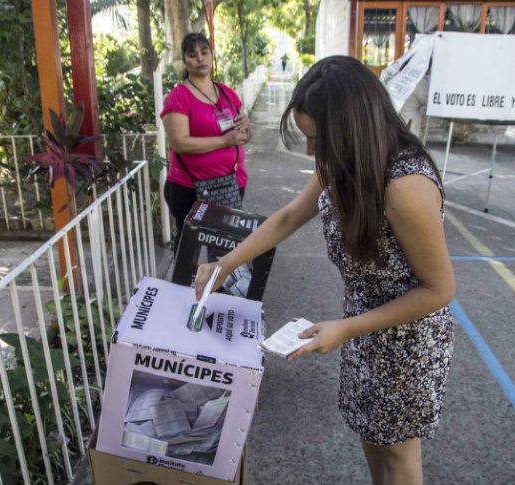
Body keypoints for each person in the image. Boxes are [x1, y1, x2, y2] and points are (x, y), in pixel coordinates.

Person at [193, 55, 455, 485]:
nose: (313, 152)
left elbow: (439, 290)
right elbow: (288, 216)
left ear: (352, 126)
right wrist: (225, 264)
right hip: (361, 328)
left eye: (318, 138)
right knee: (373, 440)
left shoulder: (405, 185)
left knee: (399, 457)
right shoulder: (344, 161)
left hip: (407, 343)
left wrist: (347, 329)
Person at [161, 33, 251, 248]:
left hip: (230, 185)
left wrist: (246, 129)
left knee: (224, 250)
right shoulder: (179, 96)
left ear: (212, 56)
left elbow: (243, 137)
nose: (200, 59)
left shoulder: (227, 92)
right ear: (184, 60)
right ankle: (186, 284)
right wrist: (224, 141)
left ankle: (218, 283)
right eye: (192, 55)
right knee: (187, 253)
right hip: (190, 189)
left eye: (204, 52)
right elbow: (179, 143)